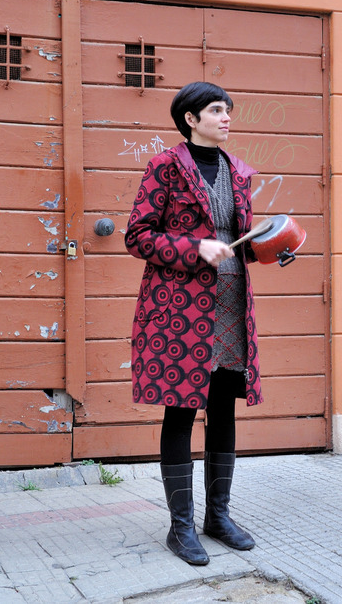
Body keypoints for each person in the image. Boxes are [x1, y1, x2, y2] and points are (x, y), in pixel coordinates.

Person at [125, 82, 261, 566]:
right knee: (181, 411)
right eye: (216, 110)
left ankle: (217, 517)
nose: (227, 118)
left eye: (228, 110)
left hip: (230, 308)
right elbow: (137, 236)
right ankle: (180, 527)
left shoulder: (237, 172)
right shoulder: (164, 166)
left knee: (223, 408)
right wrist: (192, 248)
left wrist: (273, 247)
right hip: (179, 311)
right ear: (190, 118)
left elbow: (243, 239)